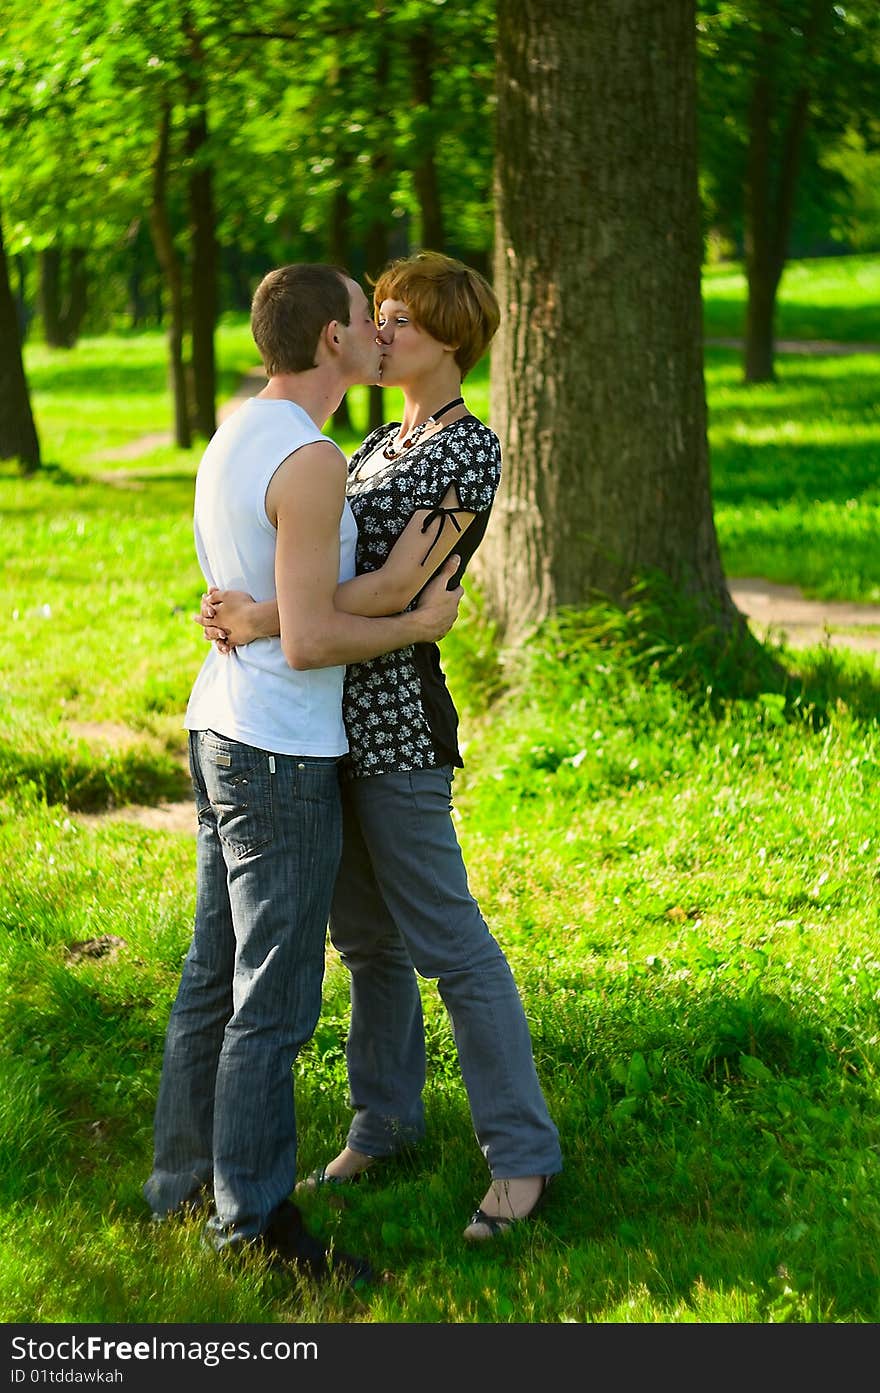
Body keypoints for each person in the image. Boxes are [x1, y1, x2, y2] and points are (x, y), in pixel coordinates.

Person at [198, 250, 563, 1241]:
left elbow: (404, 591)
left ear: (448, 338)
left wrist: (268, 615)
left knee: (451, 947)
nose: (383, 328)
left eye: (402, 318)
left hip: (397, 722)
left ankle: (523, 1155)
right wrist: (290, 614)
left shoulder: (464, 449)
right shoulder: (369, 446)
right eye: (381, 312)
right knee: (368, 944)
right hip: (323, 726)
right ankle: (384, 1120)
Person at [142, 262, 463, 1282]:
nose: (381, 331)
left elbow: (273, 603)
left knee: (211, 978)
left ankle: (180, 1188)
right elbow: (315, 637)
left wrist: (365, 590)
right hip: (280, 748)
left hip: (220, 726)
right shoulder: (314, 459)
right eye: (367, 319)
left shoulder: (237, 430)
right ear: (331, 339)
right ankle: (255, 1226)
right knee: (273, 999)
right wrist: (413, 617)